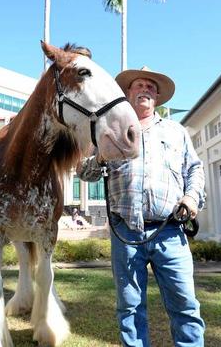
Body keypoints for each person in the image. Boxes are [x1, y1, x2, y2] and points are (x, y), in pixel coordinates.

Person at [77, 66, 206, 346]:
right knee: (130, 309)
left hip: (170, 233)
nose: (145, 90)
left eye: (151, 87)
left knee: (185, 306)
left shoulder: (176, 131)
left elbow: (195, 169)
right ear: (128, 93)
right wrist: (100, 159)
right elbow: (83, 172)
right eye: (139, 85)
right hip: (126, 235)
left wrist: (192, 197)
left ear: (157, 97)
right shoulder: (111, 132)